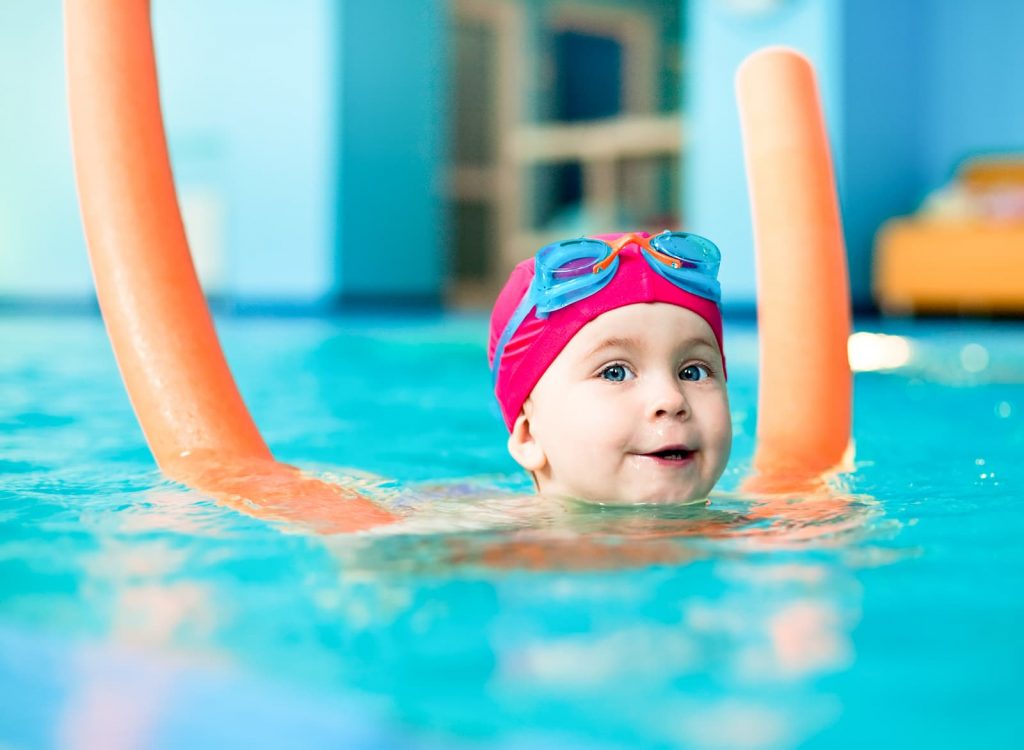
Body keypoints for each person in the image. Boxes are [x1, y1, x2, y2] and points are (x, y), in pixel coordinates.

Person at [488, 230, 731, 505]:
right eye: (615, 373)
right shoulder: (490, 538)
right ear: (529, 435)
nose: (672, 399)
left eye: (692, 372)